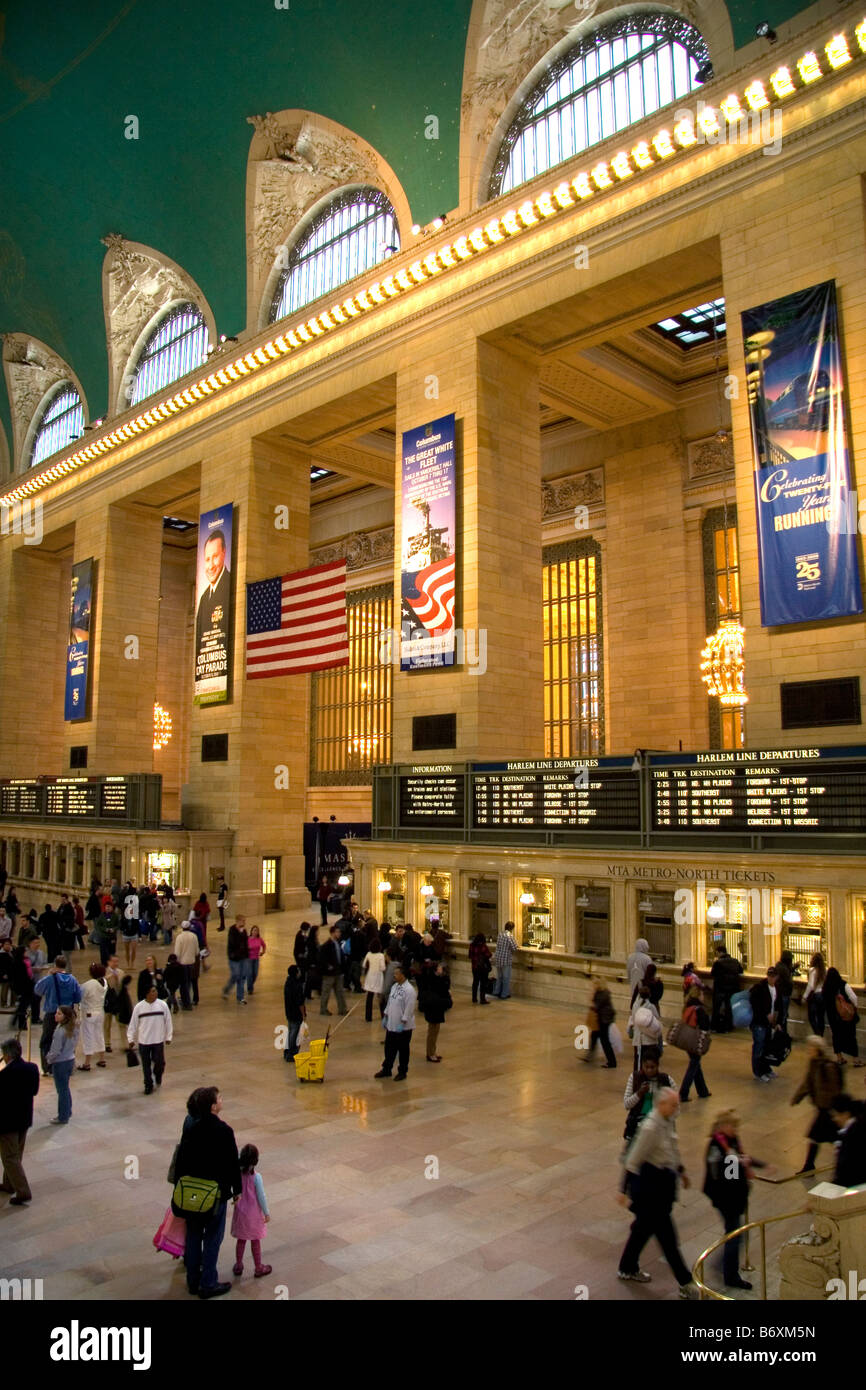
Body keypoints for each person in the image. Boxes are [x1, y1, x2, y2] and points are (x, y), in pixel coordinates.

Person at [617, 1088, 699, 1297]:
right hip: (650, 1190)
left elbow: (671, 1150)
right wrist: (623, 1190)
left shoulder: (667, 1120)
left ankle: (627, 1267)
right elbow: (633, 1160)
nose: (677, 1108)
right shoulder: (650, 1127)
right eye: (673, 1105)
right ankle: (685, 1281)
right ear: (661, 1105)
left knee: (641, 1230)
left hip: (662, 1186)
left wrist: (681, 1172)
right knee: (667, 1238)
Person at [174, 1086, 241, 1299]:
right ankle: (208, 1283)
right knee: (212, 1238)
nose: (222, 1100)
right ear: (213, 1107)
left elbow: (181, 1162)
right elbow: (232, 1163)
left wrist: (179, 1188)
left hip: (193, 1194)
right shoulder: (224, 1131)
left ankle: (193, 1280)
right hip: (215, 1194)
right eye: (219, 1098)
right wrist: (237, 1189)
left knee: (193, 1235)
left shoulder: (192, 1129)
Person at [703, 1111, 769, 1290]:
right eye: (733, 1126)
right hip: (726, 1199)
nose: (736, 1129)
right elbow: (724, 1175)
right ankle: (728, 1273)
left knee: (736, 1234)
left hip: (734, 1197)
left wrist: (760, 1165)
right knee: (735, 1235)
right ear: (723, 1126)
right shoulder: (717, 1146)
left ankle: (724, 1267)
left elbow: (742, 1157)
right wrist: (742, 1168)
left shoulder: (731, 1141)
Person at [791, 1036, 842, 1174]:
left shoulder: (828, 1066)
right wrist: (797, 1098)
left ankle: (810, 1165)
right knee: (827, 1137)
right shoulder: (813, 1063)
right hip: (822, 1108)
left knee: (819, 1136)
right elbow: (807, 1083)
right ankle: (810, 1165)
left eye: (810, 1047)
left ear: (817, 1049)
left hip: (828, 1109)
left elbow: (835, 1089)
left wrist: (835, 1107)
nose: (808, 1050)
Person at [0, 1038, 40, 1204]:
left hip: (7, 1122)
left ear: (7, 1056)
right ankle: (9, 1184)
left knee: (9, 1157)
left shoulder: (4, 1075)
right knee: (16, 1154)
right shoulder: (32, 1068)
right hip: (24, 1118)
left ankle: (23, 1191)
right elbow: (35, 1091)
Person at [34, 956, 82, 1076]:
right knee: (69, 1039)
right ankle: (68, 1066)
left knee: (47, 1040)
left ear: (55, 965)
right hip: (68, 1013)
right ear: (65, 966)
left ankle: (48, 1067)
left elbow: (37, 990)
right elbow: (78, 997)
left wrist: (48, 975)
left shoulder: (50, 979)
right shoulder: (73, 979)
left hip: (52, 1013)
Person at [231, 1143, 272, 1278]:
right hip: (254, 1216)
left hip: (241, 1214)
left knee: (241, 1241)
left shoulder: (237, 1175)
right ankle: (258, 1267)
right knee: (255, 1241)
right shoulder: (257, 1177)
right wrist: (266, 1212)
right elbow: (261, 1196)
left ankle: (238, 1265)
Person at [622, 1049, 677, 1147]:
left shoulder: (666, 1080)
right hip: (637, 1125)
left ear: (658, 1066)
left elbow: (676, 1106)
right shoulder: (634, 1078)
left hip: (660, 1126)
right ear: (642, 1065)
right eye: (646, 1067)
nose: (649, 1070)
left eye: (652, 1067)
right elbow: (626, 1104)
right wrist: (639, 1093)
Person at [128, 985, 173, 1095]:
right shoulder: (139, 1007)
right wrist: (130, 1038)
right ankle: (148, 1084)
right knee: (146, 1065)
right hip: (144, 1041)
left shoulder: (162, 1005)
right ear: (147, 994)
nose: (155, 993)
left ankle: (158, 1074)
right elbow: (133, 1024)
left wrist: (168, 1036)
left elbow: (168, 1021)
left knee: (159, 1063)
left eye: (155, 991)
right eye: (153, 991)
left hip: (158, 1041)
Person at [376, 963, 416, 1081]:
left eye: (396, 973)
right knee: (389, 1048)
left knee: (403, 1050)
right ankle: (386, 1068)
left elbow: (409, 1009)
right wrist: (386, 1016)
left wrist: (403, 1023)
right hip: (391, 1024)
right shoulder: (394, 986)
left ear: (403, 975)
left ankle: (402, 1071)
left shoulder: (409, 990)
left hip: (403, 1027)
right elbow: (390, 1003)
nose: (394, 975)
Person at [46, 1005, 79, 1125]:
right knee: (65, 1088)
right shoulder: (73, 1028)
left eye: (59, 1013)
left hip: (60, 1062)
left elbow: (55, 1050)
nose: (56, 1015)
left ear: (65, 1017)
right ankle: (67, 1111)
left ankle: (63, 1116)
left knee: (62, 1090)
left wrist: (49, 1059)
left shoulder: (60, 1031)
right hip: (70, 1059)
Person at [678, 984, 711, 1102]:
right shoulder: (699, 1009)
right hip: (695, 1040)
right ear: (698, 995)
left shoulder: (687, 1007)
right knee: (694, 1065)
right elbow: (704, 1026)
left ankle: (703, 1091)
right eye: (702, 994)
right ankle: (683, 1093)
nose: (703, 996)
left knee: (696, 1065)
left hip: (687, 1040)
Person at [824, 967, 861, 1066]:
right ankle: (856, 1060)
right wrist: (854, 1008)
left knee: (836, 1037)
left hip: (833, 1018)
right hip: (846, 1018)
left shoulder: (826, 987)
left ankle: (839, 1058)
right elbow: (854, 997)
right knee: (851, 1037)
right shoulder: (843, 984)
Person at [748, 966, 780, 1082]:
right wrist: (765, 1014)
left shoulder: (776, 988)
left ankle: (766, 1069)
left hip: (768, 1023)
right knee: (759, 1046)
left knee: (766, 1047)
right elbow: (754, 1003)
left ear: (776, 977)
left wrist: (777, 1022)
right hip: (759, 1022)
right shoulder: (759, 988)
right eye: (769, 976)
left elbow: (777, 1006)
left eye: (773, 976)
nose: (771, 978)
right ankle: (758, 1072)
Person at [830, 1094, 866, 1187]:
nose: (834, 1119)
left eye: (835, 1115)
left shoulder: (854, 1133)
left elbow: (848, 1165)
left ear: (845, 1114)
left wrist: (836, 1184)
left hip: (855, 1185)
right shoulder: (852, 1128)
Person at [419, 960, 451, 1063]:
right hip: (434, 1008)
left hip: (435, 1008)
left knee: (435, 1031)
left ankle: (432, 1051)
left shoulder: (436, 979)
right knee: (432, 1032)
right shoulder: (434, 981)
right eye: (439, 967)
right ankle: (430, 1053)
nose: (441, 968)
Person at [78, 962, 108, 1071]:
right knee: (99, 1034)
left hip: (89, 1012)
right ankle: (102, 1058)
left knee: (88, 1036)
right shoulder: (104, 982)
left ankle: (87, 1062)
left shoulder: (89, 984)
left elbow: (80, 996)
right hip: (100, 1011)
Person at [583, 977, 617, 1068]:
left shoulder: (602, 994)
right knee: (594, 1035)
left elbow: (595, 1005)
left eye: (594, 984)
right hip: (602, 1018)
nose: (593, 986)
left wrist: (591, 997)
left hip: (604, 1020)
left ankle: (612, 1062)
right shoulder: (601, 992)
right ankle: (589, 1056)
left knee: (604, 1040)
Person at [628, 985, 663, 1069]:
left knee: (637, 1061)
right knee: (649, 1061)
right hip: (649, 1040)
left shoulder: (635, 1006)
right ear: (649, 995)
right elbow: (657, 1021)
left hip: (637, 1040)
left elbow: (633, 1018)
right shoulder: (651, 1007)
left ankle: (636, 1077)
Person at [710, 945, 743, 1033]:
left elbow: (712, 974)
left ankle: (714, 1026)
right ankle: (728, 1027)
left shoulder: (718, 963)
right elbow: (741, 971)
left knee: (716, 1008)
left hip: (720, 989)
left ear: (719, 952)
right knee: (729, 1009)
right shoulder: (735, 961)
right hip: (733, 989)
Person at [318, 924, 348, 1017]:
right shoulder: (327, 945)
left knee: (340, 991)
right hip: (329, 973)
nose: (339, 934)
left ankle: (342, 1009)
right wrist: (327, 966)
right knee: (326, 992)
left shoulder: (337, 943)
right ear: (332, 933)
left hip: (338, 971)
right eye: (337, 932)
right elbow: (321, 958)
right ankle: (323, 1009)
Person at [222, 918, 250, 1005]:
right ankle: (226, 989)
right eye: (243, 921)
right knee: (235, 975)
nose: (244, 922)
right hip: (234, 958)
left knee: (242, 977)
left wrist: (247, 954)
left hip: (243, 957)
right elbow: (233, 942)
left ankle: (240, 997)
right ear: (238, 921)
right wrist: (240, 933)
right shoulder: (232, 930)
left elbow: (245, 943)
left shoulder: (244, 931)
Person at [175, 920, 201, 1009]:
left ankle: (186, 1002)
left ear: (182, 928)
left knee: (184, 984)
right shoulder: (194, 936)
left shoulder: (179, 937)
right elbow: (197, 951)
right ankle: (191, 1000)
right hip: (192, 963)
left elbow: (177, 953)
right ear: (189, 927)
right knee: (191, 982)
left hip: (183, 964)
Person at [283, 965, 306, 1061]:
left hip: (288, 1011)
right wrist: (303, 1014)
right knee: (294, 1033)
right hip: (296, 1013)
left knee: (290, 1031)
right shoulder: (297, 985)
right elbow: (300, 1002)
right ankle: (292, 1053)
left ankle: (287, 1051)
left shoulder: (288, 983)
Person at [802, 952, 828, 1038]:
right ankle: (821, 1035)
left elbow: (810, 985)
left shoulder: (812, 970)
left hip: (815, 996)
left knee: (812, 1017)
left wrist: (804, 997)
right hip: (823, 996)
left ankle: (817, 1035)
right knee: (821, 1018)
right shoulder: (825, 970)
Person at [361, 935, 386, 1022]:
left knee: (369, 997)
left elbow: (364, 965)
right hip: (378, 977)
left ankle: (368, 1016)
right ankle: (383, 1015)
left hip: (370, 977)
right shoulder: (381, 955)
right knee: (380, 997)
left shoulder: (368, 954)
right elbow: (383, 968)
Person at [491, 921, 517, 999]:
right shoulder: (510, 936)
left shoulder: (500, 934)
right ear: (512, 928)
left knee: (499, 977)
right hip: (506, 959)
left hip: (498, 958)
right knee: (506, 978)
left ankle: (496, 991)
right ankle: (504, 994)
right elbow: (514, 948)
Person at [773, 950, 797, 1032]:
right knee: (783, 1015)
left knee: (783, 1015)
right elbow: (788, 981)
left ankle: (783, 1033)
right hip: (784, 994)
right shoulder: (783, 968)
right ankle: (782, 1034)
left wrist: (793, 968)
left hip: (781, 994)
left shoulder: (780, 966)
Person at [469, 932, 492, 1004]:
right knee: (483, 983)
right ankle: (482, 999)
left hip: (475, 967)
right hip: (483, 968)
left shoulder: (472, 945)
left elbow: (470, 956)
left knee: (475, 982)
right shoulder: (483, 946)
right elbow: (489, 955)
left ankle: (474, 998)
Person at [120, 891, 139, 968]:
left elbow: (137, 925)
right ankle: (128, 963)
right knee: (127, 950)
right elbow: (121, 925)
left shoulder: (135, 916)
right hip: (126, 934)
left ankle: (132, 963)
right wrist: (123, 929)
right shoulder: (124, 917)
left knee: (134, 950)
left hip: (134, 934)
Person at [246, 925, 266, 995]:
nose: (255, 932)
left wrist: (263, 952)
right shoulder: (248, 939)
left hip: (256, 959)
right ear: (251, 931)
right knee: (250, 973)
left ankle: (249, 983)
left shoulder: (259, 939)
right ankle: (250, 989)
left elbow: (264, 945)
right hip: (249, 959)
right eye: (254, 930)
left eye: (257, 931)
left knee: (255, 974)